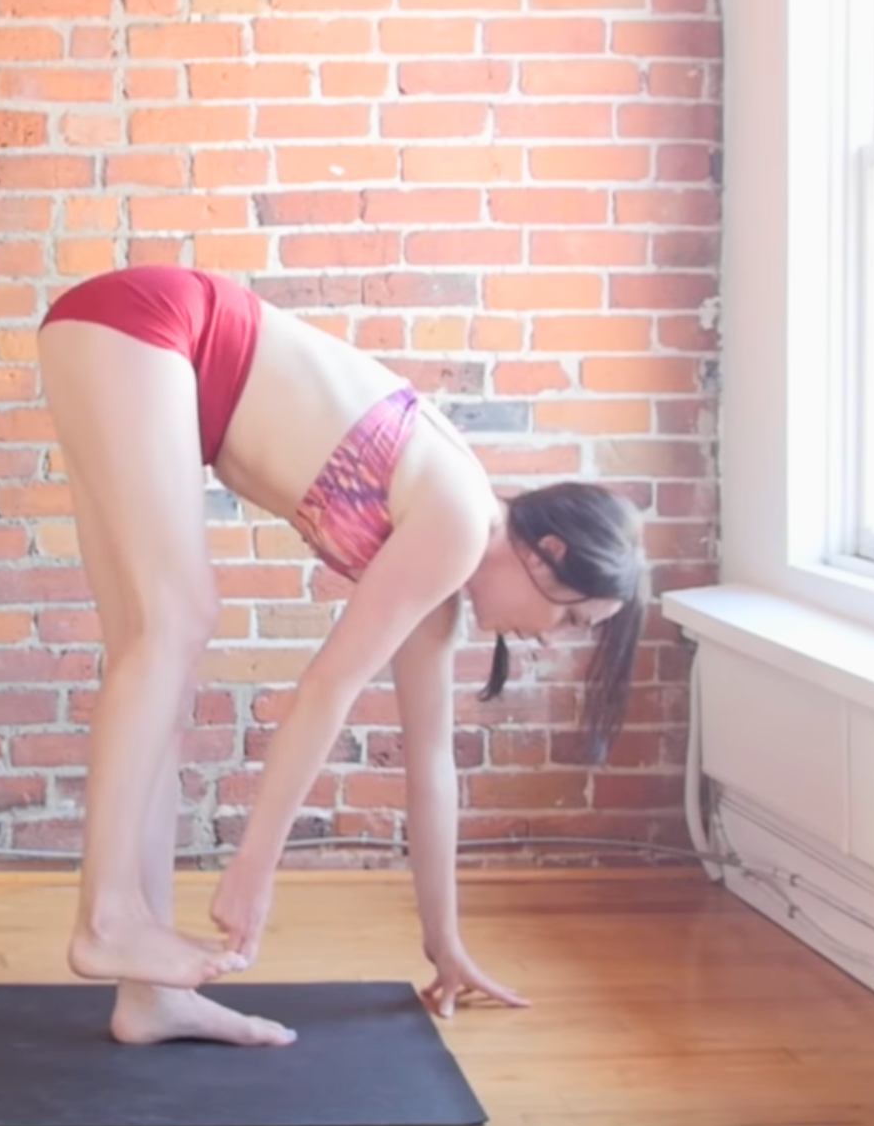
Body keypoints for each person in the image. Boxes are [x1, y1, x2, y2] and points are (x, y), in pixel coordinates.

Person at [36, 265, 646, 1047]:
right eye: (572, 619)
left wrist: (445, 944)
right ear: (547, 554)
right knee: (178, 621)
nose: (550, 642)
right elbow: (327, 688)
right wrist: (255, 868)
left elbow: (431, 766)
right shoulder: (460, 517)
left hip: (134, 350)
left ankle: (150, 998)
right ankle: (110, 915)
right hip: (154, 327)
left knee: (153, 650)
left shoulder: (439, 586)